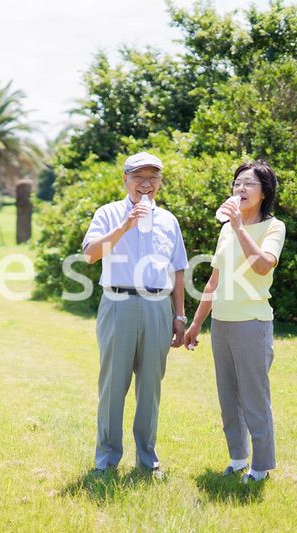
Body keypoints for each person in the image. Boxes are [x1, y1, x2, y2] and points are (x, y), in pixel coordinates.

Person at [82, 151, 188, 476]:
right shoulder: (108, 213)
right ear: (125, 179)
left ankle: (147, 460)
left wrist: (180, 315)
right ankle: (107, 460)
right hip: (118, 304)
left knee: (151, 386)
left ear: (160, 182)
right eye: (138, 177)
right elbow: (89, 255)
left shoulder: (169, 220)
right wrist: (125, 226)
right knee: (113, 385)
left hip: (158, 306)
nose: (146, 184)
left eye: (152, 177)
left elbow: (178, 270)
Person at [183, 160, 286, 484]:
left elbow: (263, 266)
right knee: (228, 397)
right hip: (223, 324)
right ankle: (238, 458)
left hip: (252, 323)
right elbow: (213, 282)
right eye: (237, 183)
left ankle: (262, 466)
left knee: (254, 398)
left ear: (264, 191)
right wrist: (197, 324)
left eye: (249, 184)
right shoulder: (226, 228)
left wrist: (241, 227)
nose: (240, 189)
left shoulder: (273, 227)